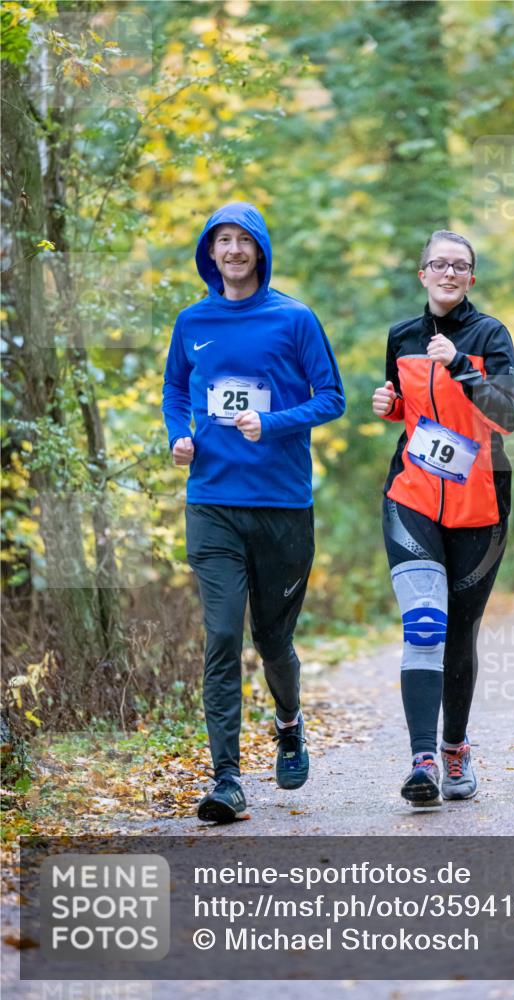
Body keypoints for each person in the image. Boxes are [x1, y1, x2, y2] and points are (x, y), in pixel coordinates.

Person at [162, 202, 345, 823]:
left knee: (273, 640)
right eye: (223, 241)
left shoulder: (294, 319)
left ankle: (289, 723)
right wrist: (177, 436)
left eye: (244, 240)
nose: (234, 250)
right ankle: (227, 779)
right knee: (220, 635)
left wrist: (271, 423)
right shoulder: (192, 321)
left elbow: (333, 398)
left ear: (260, 251)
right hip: (212, 501)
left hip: (282, 505)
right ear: (209, 252)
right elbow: (174, 389)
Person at [372, 230, 514, 806]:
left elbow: (508, 416)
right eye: (439, 264)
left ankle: (455, 745)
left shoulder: (491, 335)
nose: (449, 273)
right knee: (426, 624)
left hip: (480, 506)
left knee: (459, 633)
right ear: (422, 273)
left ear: (471, 279)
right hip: (411, 496)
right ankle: (423, 760)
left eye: (460, 266)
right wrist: (390, 408)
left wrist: (461, 364)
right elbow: (410, 410)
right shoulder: (402, 336)